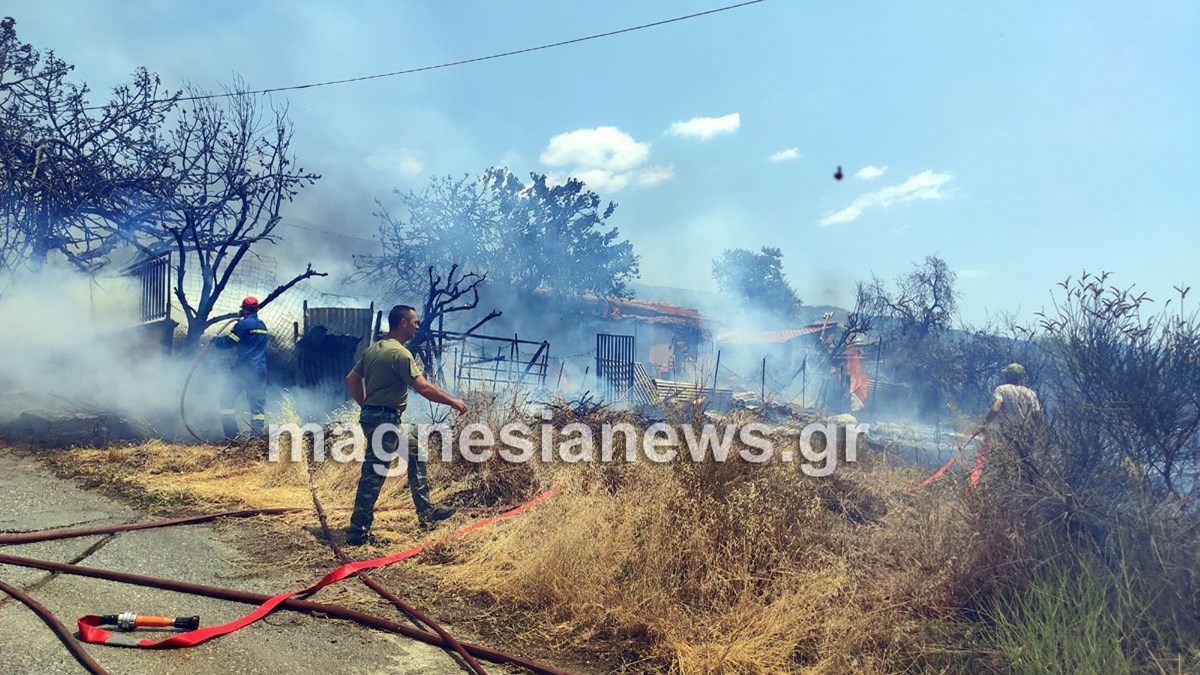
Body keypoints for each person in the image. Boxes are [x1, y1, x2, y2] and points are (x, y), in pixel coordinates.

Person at [344, 304, 468, 546]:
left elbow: (352, 379)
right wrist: (453, 401)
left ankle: (427, 513)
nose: (418, 326)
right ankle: (357, 534)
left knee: (415, 452)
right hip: (385, 420)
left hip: (379, 417)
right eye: (415, 322)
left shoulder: (374, 349)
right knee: (374, 475)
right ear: (403, 323)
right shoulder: (401, 354)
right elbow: (422, 387)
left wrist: (366, 406)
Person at [213, 296, 269, 438]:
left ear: (243, 309)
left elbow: (228, 342)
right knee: (257, 406)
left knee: (226, 399)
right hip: (259, 369)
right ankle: (255, 439)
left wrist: (215, 339)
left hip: (243, 370)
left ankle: (231, 435)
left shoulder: (242, 325)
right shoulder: (262, 326)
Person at [978, 362, 1043, 480]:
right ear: (1021, 377)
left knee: (1005, 461)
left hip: (1007, 433)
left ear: (1007, 376)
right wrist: (1039, 434)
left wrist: (984, 424)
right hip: (1026, 434)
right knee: (1025, 462)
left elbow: (996, 407)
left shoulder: (1002, 389)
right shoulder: (1030, 393)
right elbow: (1036, 415)